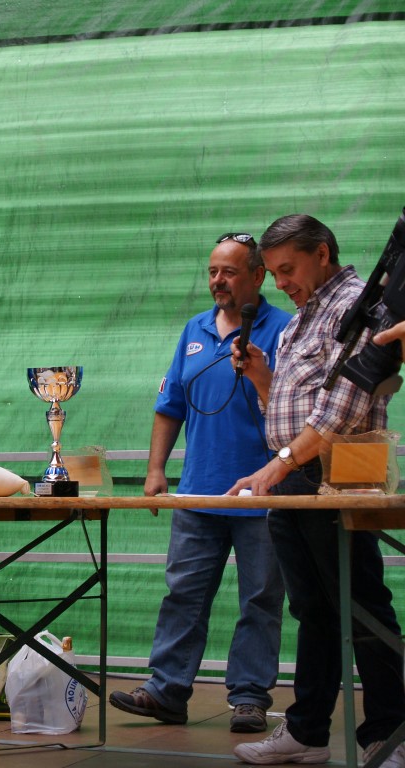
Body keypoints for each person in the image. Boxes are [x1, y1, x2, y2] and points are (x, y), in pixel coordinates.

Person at [228, 214, 405, 766]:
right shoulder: (300, 319)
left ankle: (389, 735)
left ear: (323, 253)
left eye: (288, 269)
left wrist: (278, 465)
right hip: (296, 476)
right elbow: (291, 407)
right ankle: (307, 732)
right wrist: (262, 378)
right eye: (274, 273)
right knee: (313, 610)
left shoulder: (358, 307)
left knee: (361, 606)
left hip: (335, 476)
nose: (280, 283)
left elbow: (344, 408)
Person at [109, 233, 291, 733]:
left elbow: (292, 409)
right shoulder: (194, 329)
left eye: (229, 272)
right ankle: (166, 690)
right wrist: (155, 470)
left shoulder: (284, 328)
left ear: (258, 276)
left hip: (263, 494)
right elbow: (169, 405)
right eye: (212, 271)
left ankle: (249, 697)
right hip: (198, 491)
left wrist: (259, 375)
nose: (218, 281)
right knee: (183, 594)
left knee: (260, 599)